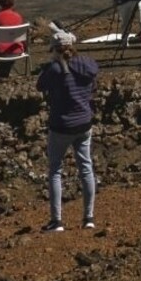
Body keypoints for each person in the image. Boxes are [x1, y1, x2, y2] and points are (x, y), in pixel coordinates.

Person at [37, 31, 97, 232]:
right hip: (84, 123)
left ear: (55, 50)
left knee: (55, 170)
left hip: (61, 125)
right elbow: (93, 74)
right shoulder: (86, 65)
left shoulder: (55, 69)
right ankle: (88, 218)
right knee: (86, 168)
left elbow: (40, 85)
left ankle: (57, 221)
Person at [0, 0, 27, 78]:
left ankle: (1, 73)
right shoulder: (18, 16)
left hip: (0, 52)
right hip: (16, 51)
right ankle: (5, 73)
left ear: (0, 2)